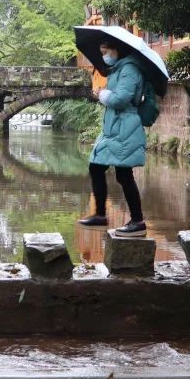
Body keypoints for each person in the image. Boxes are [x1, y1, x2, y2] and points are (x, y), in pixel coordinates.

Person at [77, 39, 148, 237]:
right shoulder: (117, 69)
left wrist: (103, 95)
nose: (103, 56)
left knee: (124, 174)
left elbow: (120, 99)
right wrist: (105, 94)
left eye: (106, 51)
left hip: (125, 127)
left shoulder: (130, 69)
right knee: (97, 166)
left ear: (117, 50)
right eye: (102, 52)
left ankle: (137, 221)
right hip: (114, 127)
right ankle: (101, 214)